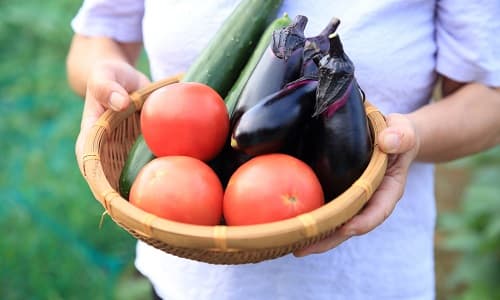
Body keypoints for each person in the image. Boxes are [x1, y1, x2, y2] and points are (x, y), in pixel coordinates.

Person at [67, 1, 500, 299]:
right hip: (191, 282)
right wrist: (104, 76)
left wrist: (411, 134)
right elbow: (96, 38)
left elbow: (489, 98)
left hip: (371, 282)